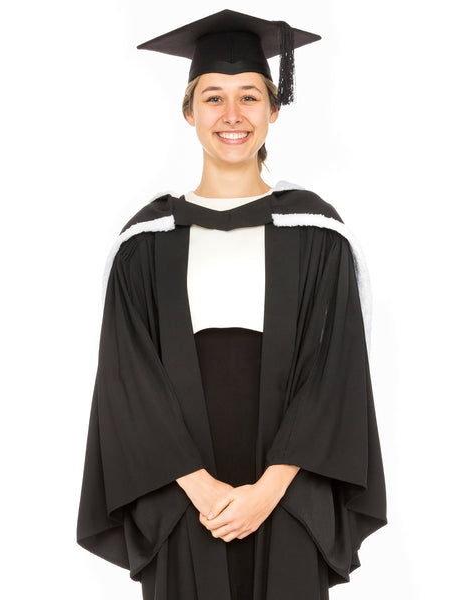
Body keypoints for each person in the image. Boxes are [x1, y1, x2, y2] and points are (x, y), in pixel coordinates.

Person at [76, 9, 387, 600]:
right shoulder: (146, 240)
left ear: (274, 109)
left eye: (249, 96)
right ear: (190, 113)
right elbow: (128, 377)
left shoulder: (317, 232)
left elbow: (334, 372)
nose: (232, 115)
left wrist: (268, 491)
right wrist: (203, 489)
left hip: (289, 490)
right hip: (182, 492)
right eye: (213, 98)